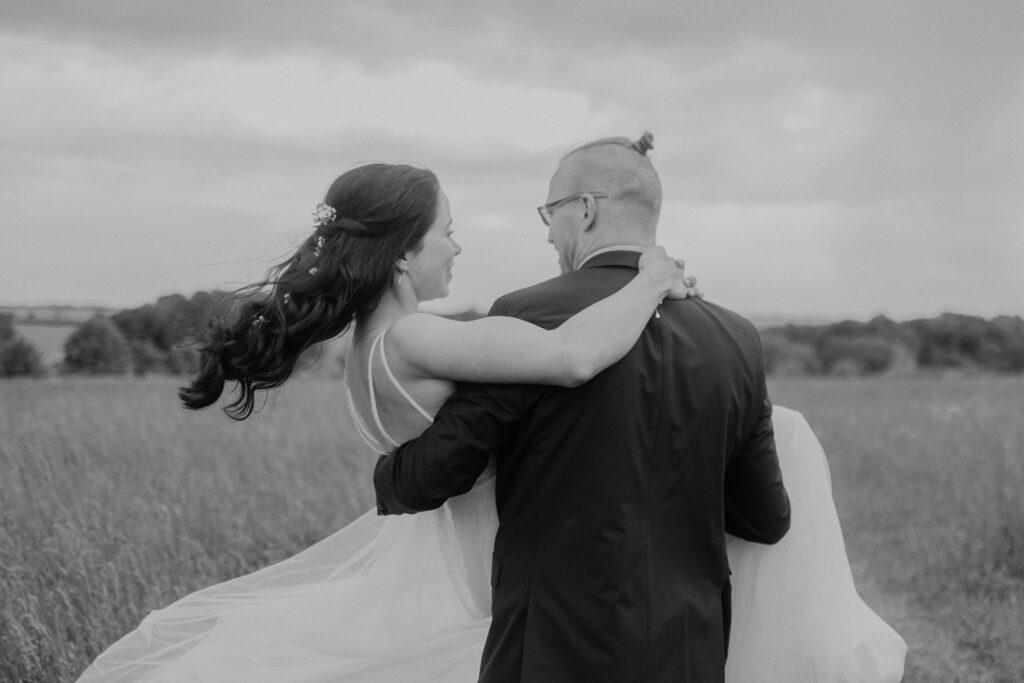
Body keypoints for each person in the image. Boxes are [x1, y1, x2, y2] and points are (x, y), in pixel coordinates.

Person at [79, 140, 907, 682]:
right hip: (658, 630)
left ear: (581, 211)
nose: (461, 245)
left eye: (545, 213)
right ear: (403, 253)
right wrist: (654, 280)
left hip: (525, 611)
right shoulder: (429, 340)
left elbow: (465, 442)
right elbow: (571, 358)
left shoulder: (395, 340)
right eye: (449, 232)